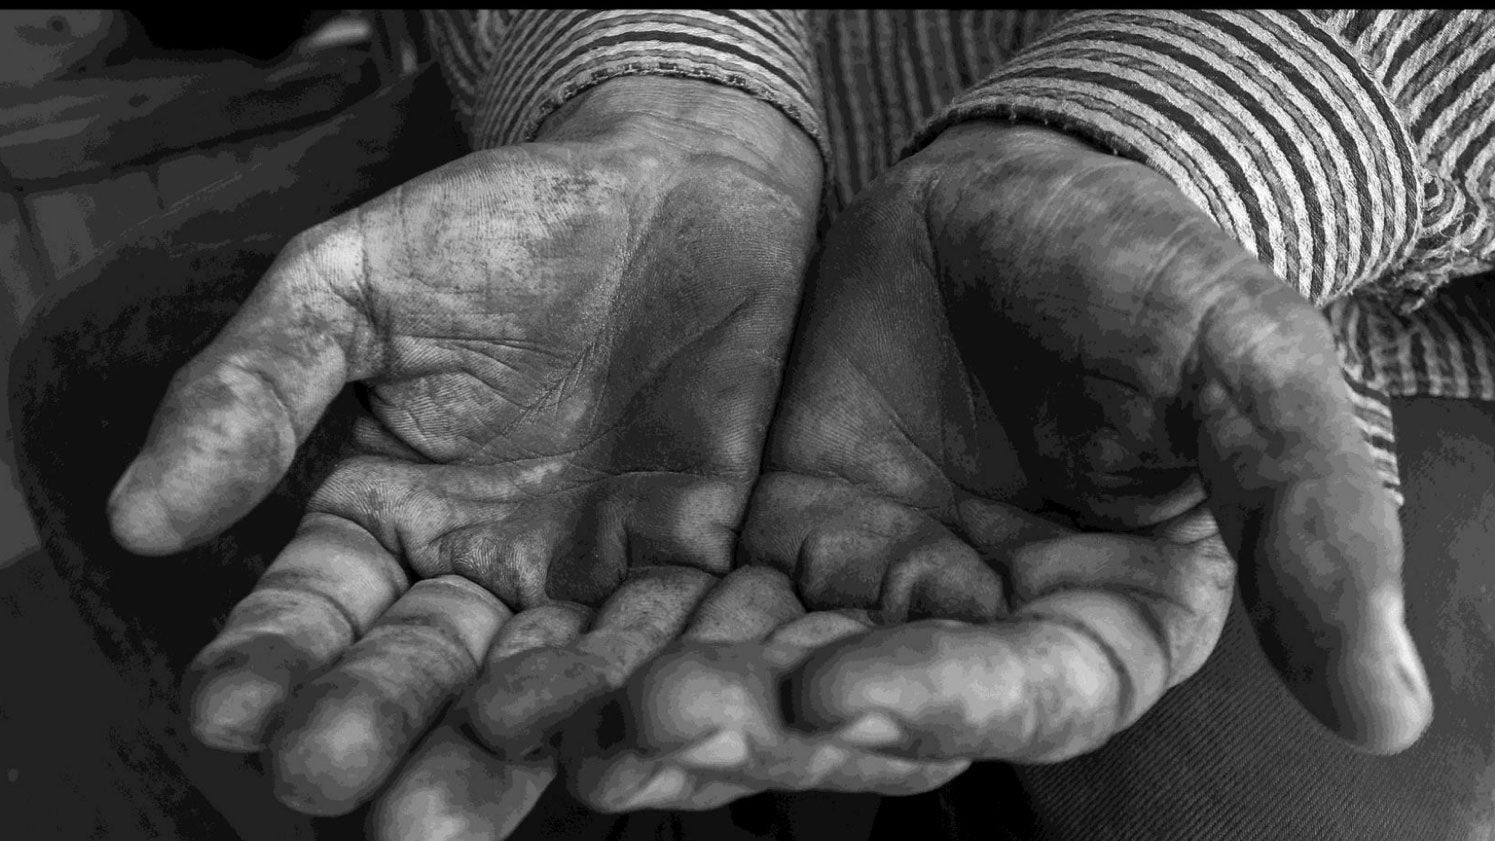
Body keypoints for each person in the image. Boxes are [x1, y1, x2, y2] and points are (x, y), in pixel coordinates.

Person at [100, 10, 1495, 840]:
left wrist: (1194, 134)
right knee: (90, 383)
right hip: (656, 97)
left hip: (1328, 232)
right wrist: (659, 83)